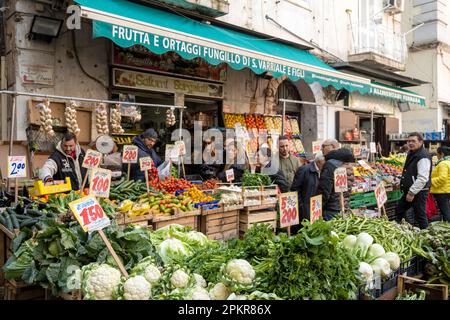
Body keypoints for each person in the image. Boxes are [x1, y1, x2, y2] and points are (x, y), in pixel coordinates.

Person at [396, 132, 431, 229]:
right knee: (400, 209)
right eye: (409, 141)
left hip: (419, 191)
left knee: (420, 215)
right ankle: (407, 229)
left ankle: (426, 235)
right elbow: (410, 171)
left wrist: (411, 192)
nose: (410, 143)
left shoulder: (423, 156)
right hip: (411, 190)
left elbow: (423, 178)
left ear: (420, 142)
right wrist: (401, 181)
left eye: (413, 141)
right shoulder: (412, 153)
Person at [318, 148, 355, 221]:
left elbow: (324, 190)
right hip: (343, 207)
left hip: (331, 209)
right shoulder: (349, 166)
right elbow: (348, 189)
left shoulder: (329, 165)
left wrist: (320, 206)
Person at [291, 151, 326, 222]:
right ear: (319, 161)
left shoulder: (324, 171)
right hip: (305, 211)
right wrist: (302, 207)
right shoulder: (304, 170)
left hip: (317, 209)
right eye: (325, 161)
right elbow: (295, 190)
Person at [430, 146, 450, 222]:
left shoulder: (443, 164)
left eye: (437, 154)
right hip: (447, 190)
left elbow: (442, 178)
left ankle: (448, 229)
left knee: (445, 212)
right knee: (446, 211)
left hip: (442, 191)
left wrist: (430, 182)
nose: (436, 156)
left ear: (441, 154)